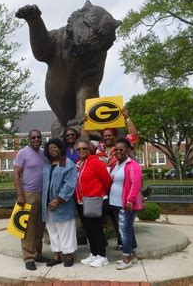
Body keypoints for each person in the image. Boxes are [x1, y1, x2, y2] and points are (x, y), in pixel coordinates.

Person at [86, 107, 139, 251]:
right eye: (105, 135)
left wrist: (127, 118)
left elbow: (133, 136)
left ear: (115, 136)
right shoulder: (98, 148)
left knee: (119, 217)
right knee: (101, 216)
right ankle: (102, 241)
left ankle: (123, 241)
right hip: (102, 189)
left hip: (119, 189)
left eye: (110, 135)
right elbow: (84, 142)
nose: (107, 137)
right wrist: (85, 124)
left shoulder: (121, 148)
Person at [13, 129, 49, 271]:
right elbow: (16, 174)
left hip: (43, 194)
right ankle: (29, 258)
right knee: (29, 228)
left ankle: (38, 254)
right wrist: (20, 194)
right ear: (29, 139)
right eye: (33, 137)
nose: (36, 139)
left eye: (38, 137)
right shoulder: (23, 153)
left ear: (41, 139)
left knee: (40, 227)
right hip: (28, 194)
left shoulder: (43, 154)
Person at [74, 138, 111, 268]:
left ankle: (102, 256)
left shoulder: (96, 162)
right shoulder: (79, 163)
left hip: (95, 201)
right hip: (82, 202)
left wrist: (99, 192)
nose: (81, 151)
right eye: (79, 149)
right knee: (89, 230)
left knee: (97, 229)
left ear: (89, 149)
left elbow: (106, 181)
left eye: (84, 148)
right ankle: (94, 253)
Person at [42, 138, 78, 267]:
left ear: (61, 148)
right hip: (47, 204)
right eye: (50, 148)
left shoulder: (67, 164)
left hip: (62, 204)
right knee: (52, 230)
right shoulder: (47, 165)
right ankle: (56, 255)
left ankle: (68, 255)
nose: (53, 149)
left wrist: (58, 200)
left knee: (65, 229)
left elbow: (70, 185)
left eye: (55, 147)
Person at [109, 138, 144, 270]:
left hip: (126, 204)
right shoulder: (117, 164)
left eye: (121, 149)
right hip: (116, 203)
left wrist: (130, 200)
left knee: (124, 231)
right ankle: (133, 255)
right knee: (127, 229)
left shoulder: (133, 165)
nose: (118, 152)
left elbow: (136, 184)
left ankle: (126, 258)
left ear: (128, 150)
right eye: (116, 150)